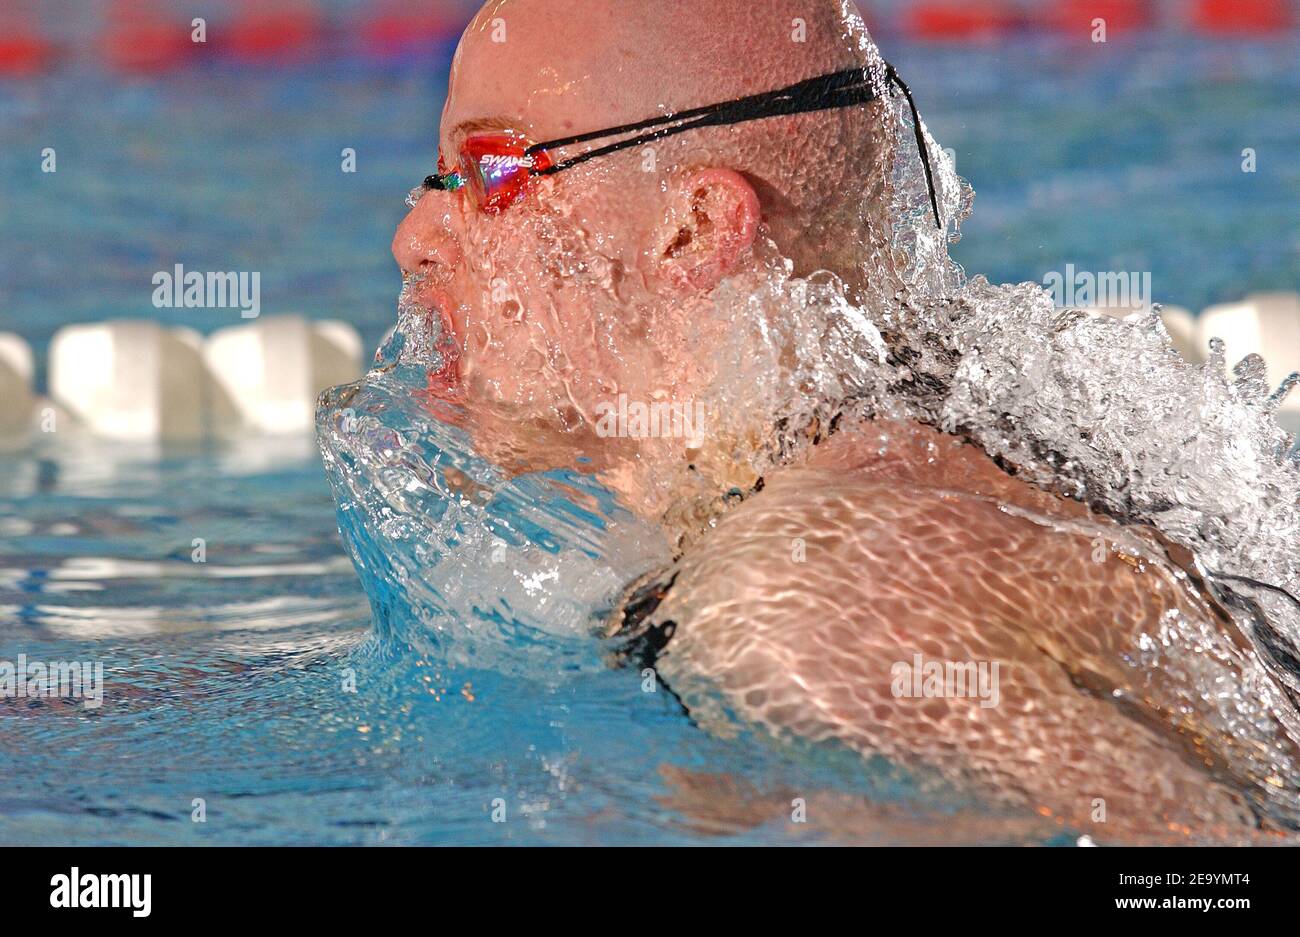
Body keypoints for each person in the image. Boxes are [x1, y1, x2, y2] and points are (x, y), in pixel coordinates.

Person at [391, 0, 1294, 840]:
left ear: (693, 229)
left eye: (492, 171)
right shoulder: (903, 482)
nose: (415, 234)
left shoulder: (809, 606)